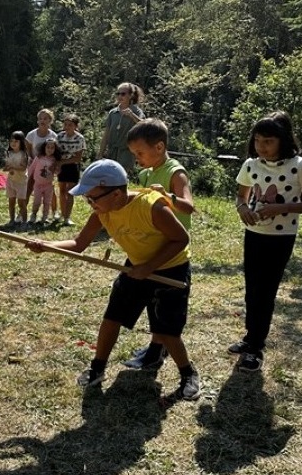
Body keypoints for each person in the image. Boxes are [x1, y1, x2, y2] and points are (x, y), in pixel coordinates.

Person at [25, 159, 200, 400]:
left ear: (116, 194)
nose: (90, 203)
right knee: (111, 318)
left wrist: (150, 267)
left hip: (170, 270)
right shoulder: (101, 213)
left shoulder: (152, 207)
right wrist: (47, 246)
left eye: (93, 197)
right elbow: (79, 244)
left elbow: (182, 239)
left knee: (167, 330)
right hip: (136, 268)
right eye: (87, 198)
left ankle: (188, 373)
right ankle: (97, 368)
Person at [229, 111, 302, 372]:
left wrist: (281, 209)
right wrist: (242, 209)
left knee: (266, 291)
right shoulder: (251, 164)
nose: (262, 146)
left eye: (268, 141)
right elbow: (241, 195)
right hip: (254, 234)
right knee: (252, 288)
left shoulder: (298, 166)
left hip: (280, 238)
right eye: (258, 140)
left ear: (282, 140)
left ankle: (256, 348)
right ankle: (250, 337)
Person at [123, 118, 195, 370]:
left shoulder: (175, 171)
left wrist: (168, 196)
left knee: (165, 308)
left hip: (171, 251)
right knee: (152, 302)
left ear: (159, 147)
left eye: (140, 153)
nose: (137, 159)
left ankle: (159, 349)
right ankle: (156, 348)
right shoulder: (146, 174)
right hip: (149, 247)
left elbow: (189, 205)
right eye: (134, 154)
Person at [98, 82, 146, 173]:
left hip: (126, 152)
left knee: (121, 178)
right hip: (112, 151)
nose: (120, 96)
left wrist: (132, 115)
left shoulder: (136, 111)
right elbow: (106, 135)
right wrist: (100, 153)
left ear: (130, 95)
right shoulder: (113, 112)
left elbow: (144, 126)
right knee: (109, 178)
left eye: (123, 94)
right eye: (118, 94)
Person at [25, 108, 59, 220]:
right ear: (37, 120)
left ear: (50, 120)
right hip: (35, 165)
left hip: (48, 168)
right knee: (29, 187)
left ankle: (54, 212)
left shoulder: (54, 136)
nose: (42, 121)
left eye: (45, 118)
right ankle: (23, 212)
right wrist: (31, 158)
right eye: (40, 118)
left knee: (51, 190)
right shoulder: (32, 134)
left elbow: (57, 152)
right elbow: (28, 147)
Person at [57, 114, 86, 226]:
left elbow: (78, 157)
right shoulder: (59, 137)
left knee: (70, 192)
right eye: (65, 124)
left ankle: (67, 217)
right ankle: (62, 213)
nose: (67, 127)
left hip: (72, 166)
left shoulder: (80, 138)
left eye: (70, 125)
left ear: (75, 126)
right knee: (62, 190)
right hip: (61, 166)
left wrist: (62, 162)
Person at [28, 138, 62, 224]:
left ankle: (44, 217)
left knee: (47, 202)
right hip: (38, 184)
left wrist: (56, 169)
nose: (50, 150)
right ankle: (33, 215)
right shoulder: (39, 157)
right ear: (44, 148)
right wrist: (27, 177)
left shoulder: (54, 160)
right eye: (48, 147)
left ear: (55, 149)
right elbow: (32, 168)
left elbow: (57, 171)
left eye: (52, 148)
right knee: (37, 201)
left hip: (48, 185)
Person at [4, 131, 28, 226]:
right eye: (11, 141)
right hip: (11, 181)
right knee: (11, 202)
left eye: (16, 141)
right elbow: (6, 166)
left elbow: (23, 168)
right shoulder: (9, 153)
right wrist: (7, 168)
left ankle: (25, 222)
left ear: (21, 142)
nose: (13, 143)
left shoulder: (23, 154)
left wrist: (13, 168)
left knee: (21, 203)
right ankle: (11, 220)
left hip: (21, 182)